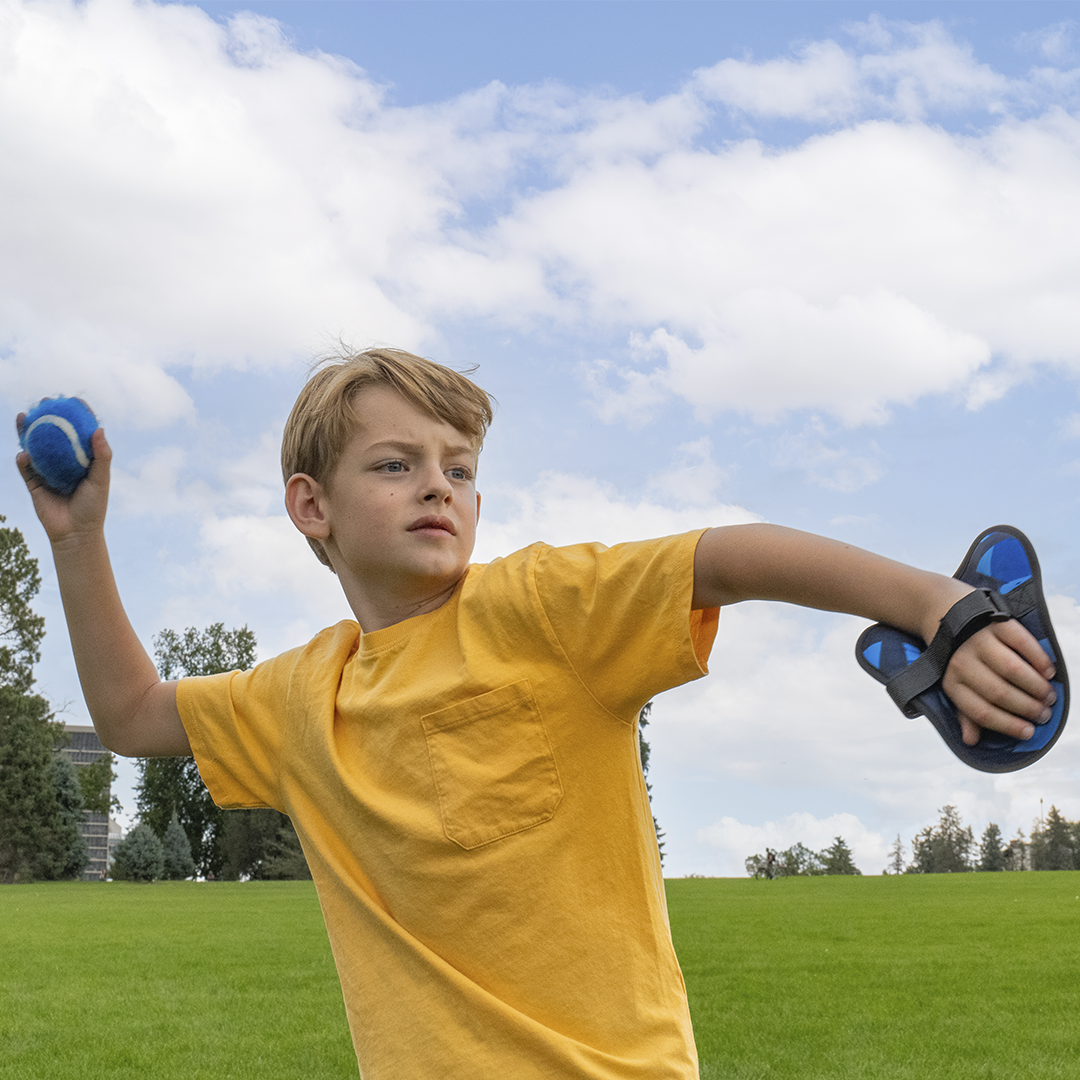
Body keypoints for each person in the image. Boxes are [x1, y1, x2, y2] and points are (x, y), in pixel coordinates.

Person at [17, 348, 1057, 1079]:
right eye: (397, 464)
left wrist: (940, 608)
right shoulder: (299, 699)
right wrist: (78, 539)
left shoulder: (539, 607)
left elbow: (727, 557)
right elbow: (132, 713)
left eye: (460, 470)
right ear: (311, 508)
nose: (441, 487)